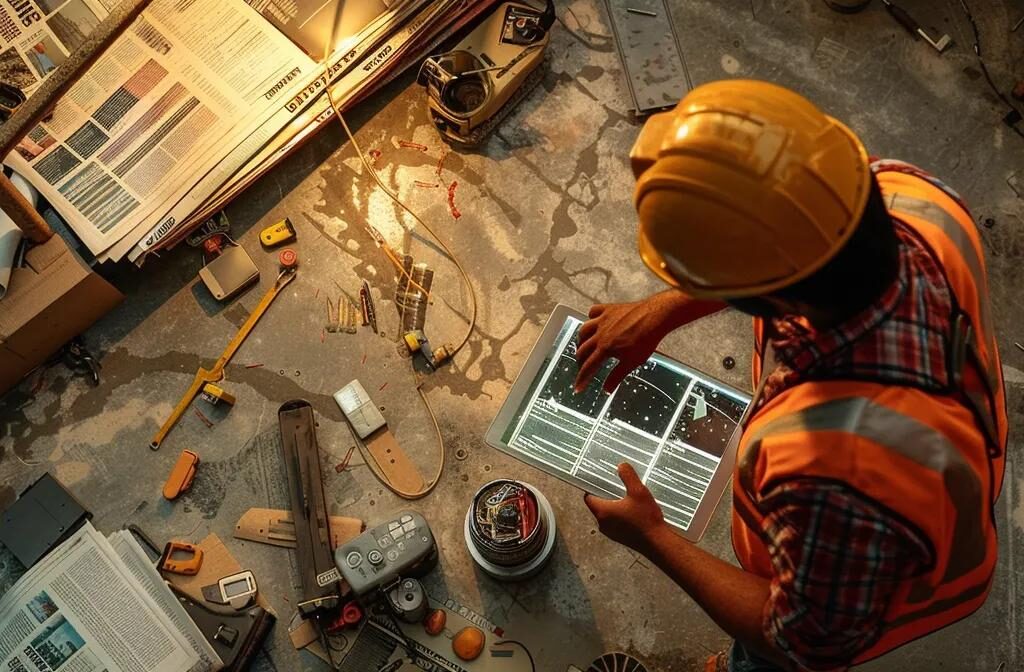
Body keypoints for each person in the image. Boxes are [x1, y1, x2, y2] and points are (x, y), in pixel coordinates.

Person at [575, 80, 1007, 672]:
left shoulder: (837, 471)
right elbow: (788, 246)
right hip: (938, 451)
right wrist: (664, 310)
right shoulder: (904, 194)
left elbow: (800, 640)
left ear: (758, 291)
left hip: (876, 587)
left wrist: (653, 534)